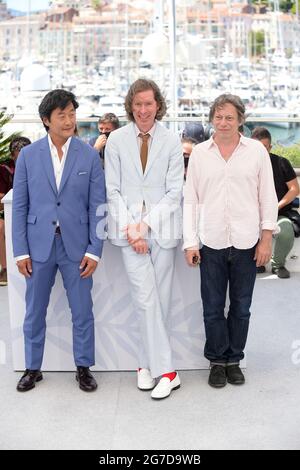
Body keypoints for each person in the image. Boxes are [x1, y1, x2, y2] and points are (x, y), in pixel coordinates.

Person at [12, 89, 106, 392]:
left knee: (82, 310)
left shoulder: (89, 154)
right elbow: (21, 206)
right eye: (62, 115)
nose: (69, 120)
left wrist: (95, 251)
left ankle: (83, 367)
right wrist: (20, 251)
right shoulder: (28, 155)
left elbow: (98, 206)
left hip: (77, 247)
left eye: (72, 114)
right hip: (38, 245)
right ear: (46, 120)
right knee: (34, 310)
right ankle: (32, 367)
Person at [183, 94, 278, 388]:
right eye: (219, 117)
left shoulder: (255, 152)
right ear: (212, 118)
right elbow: (191, 200)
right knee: (212, 307)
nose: (223, 123)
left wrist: (265, 239)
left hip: (247, 241)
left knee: (241, 306)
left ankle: (234, 359)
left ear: (240, 121)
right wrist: (190, 242)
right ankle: (216, 360)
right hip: (210, 241)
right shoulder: (200, 153)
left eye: (230, 118)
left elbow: (267, 197)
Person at [105, 78, 183, 400]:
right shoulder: (117, 140)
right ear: (130, 106)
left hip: (162, 230)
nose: (143, 110)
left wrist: (146, 226)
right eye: (137, 104)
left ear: (158, 105)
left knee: (158, 301)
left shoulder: (171, 140)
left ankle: (144, 364)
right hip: (128, 232)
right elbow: (113, 190)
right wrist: (133, 229)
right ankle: (169, 371)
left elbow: (174, 191)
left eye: (148, 103)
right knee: (145, 298)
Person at [251, 127, 300, 278]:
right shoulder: (244, 165)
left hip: (278, 213)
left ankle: (277, 264)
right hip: (251, 215)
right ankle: (256, 263)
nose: (260, 151)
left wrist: (276, 206)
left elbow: (294, 189)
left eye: (264, 147)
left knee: (285, 231)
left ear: (270, 147)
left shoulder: (281, 163)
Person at [0, 137, 31, 286]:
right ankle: (6, 268)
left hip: (35, 214)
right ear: (13, 155)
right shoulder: (4, 170)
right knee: (2, 227)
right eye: (20, 156)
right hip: (6, 213)